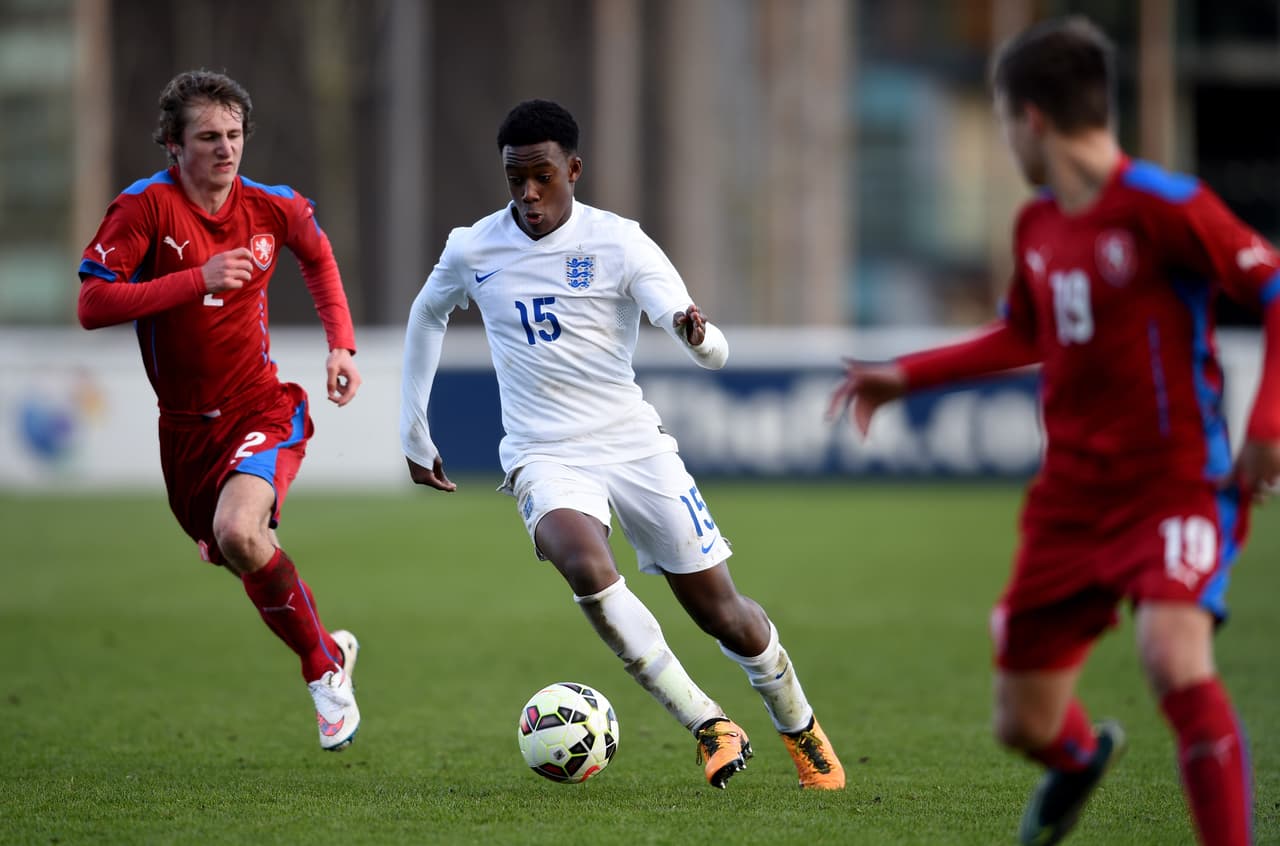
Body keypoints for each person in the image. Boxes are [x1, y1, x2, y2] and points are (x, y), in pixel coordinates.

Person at [830, 16, 1277, 846]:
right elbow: (1028, 332)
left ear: (1030, 119)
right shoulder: (1037, 226)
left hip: (1175, 481)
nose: (1007, 144)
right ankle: (1076, 762)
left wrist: (1268, 419)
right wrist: (907, 375)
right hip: (1070, 500)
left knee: (1174, 658)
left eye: (1003, 125)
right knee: (1022, 722)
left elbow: (1276, 285)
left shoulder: (1164, 206)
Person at [400, 99, 846, 790]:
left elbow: (709, 344)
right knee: (581, 560)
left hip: (633, 444)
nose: (527, 194)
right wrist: (413, 426)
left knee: (723, 614)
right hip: (543, 453)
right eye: (515, 179)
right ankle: (709, 724)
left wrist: (698, 336)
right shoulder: (473, 247)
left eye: (542, 176)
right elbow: (427, 313)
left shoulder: (620, 243)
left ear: (573, 170)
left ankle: (800, 725)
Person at [77, 70, 364, 752]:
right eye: (208, 136)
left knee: (239, 531)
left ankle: (323, 673)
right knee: (239, 550)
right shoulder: (143, 209)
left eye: (234, 135)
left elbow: (319, 258)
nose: (225, 149)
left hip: (260, 406)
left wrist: (342, 346)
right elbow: (91, 305)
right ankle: (329, 647)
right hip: (182, 434)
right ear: (173, 145)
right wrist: (191, 280)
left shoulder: (272, 207)